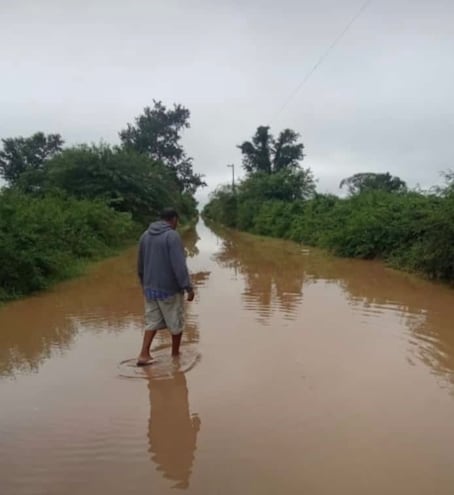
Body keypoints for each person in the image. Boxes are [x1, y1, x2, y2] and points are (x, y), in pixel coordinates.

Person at [137, 208, 194, 366]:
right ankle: (175, 355)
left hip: (150, 289)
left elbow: (140, 265)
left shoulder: (145, 235)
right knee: (176, 322)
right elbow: (179, 265)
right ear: (174, 219)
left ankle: (144, 354)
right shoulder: (172, 235)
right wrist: (188, 287)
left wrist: (144, 284)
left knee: (151, 322)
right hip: (169, 289)